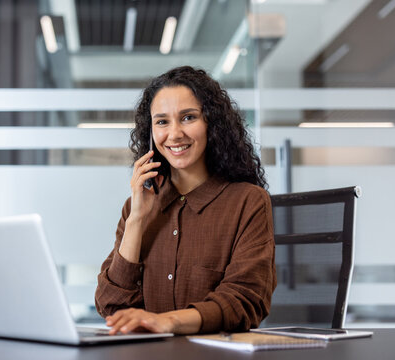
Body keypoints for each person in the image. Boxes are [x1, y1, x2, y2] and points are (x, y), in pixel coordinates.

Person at [95, 66, 276, 335]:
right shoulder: (138, 206)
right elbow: (111, 305)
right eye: (162, 121)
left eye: (188, 117)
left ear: (211, 123)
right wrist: (136, 221)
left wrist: (170, 321)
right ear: (151, 133)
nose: (175, 133)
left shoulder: (248, 202)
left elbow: (245, 300)